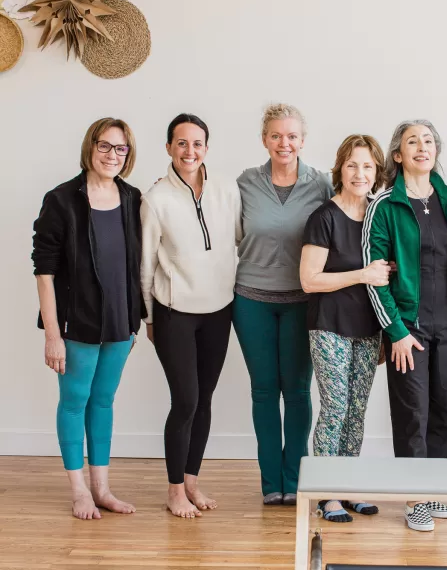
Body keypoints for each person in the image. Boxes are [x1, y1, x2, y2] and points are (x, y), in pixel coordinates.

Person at [32, 118, 142, 520]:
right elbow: (44, 271)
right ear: (90, 147)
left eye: (121, 148)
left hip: (119, 323)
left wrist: (134, 321)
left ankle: (103, 489)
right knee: (75, 401)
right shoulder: (61, 200)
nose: (112, 155)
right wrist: (51, 335)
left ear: (128, 155)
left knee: (104, 401)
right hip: (75, 323)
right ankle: (79, 491)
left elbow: (134, 264)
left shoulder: (131, 197)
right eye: (105, 146)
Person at [363, 120, 447, 532]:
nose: (422, 147)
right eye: (412, 142)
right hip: (410, 327)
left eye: (428, 141)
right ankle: (416, 498)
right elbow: (375, 274)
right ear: (398, 154)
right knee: (413, 416)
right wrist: (397, 332)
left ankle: (431, 483)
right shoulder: (384, 204)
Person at [140, 113, 241, 519]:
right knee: (185, 400)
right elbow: (145, 265)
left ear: (207, 148)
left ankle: (192, 480)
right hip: (173, 314)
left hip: (219, 311)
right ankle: (174, 490)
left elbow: (237, 238)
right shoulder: (156, 198)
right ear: (168, 148)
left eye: (197, 143)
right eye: (181, 143)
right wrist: (148, 318)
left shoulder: (225, 188)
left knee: (205, 401)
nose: (189, 151)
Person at [233, 104, 332, 505]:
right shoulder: (245, 182)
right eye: (276, 135)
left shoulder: (321, 183)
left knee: (296, 391)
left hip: (302, 301)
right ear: (264, 140)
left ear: (303, 141)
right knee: (263, 391)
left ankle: (296, 481)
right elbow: (209, 205)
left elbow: (352, 211)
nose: (284, 143)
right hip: (251, 299)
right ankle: (270, 483)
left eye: (291, 136)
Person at [300, 135, 390, 522]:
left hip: (369, 329)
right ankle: (326, 493)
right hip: (330, 328)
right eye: (353, 165)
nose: (360, 173)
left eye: (367, 166)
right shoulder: (324, 217)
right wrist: (362, 274)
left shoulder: (378, 215)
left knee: (357, 410)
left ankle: (347, 484)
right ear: (341, 169)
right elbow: (309, 280)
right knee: (335, 408)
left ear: (377, 172)